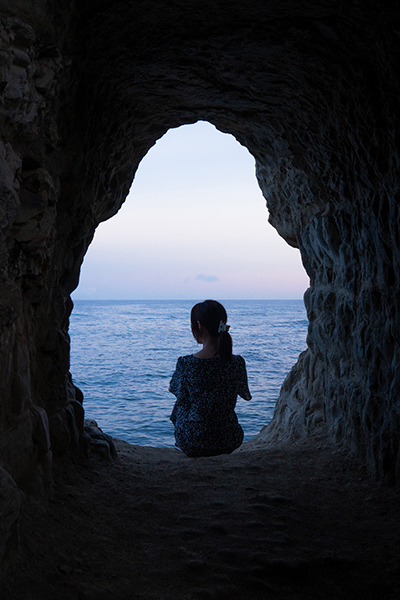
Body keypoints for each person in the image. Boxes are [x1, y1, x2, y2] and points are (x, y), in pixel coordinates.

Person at [169, 299, 251, 457]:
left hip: (194, 442)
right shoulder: (237, 362)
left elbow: (173, 389)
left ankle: (184, 441)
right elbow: (245, 394)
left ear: (199, 326)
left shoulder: (186, 363)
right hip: (230, 438)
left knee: (183, 397)